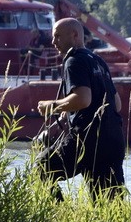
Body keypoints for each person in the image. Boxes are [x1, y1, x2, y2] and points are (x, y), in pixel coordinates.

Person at [37, 17, 126, 200]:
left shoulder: (74, 60)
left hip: (88, 140)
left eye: (58, 37)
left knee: (42, 167)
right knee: (109, 205)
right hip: (113, 140)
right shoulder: (98, 61)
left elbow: (83, 99)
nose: (53, 42)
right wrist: (68, 111)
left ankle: (60, 215)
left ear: (75, 35)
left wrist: (51, 106)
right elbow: (116, 104)